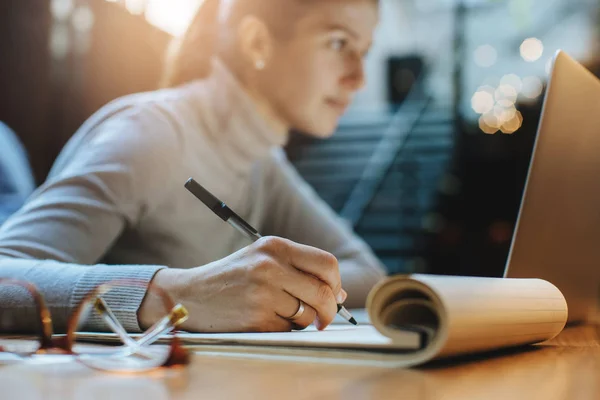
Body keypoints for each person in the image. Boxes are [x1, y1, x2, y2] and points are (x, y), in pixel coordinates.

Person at [0, 0, 385, 334]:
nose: (359, 78)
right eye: (339, 43)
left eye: (364, 51)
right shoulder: (151, 136)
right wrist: (179, 295)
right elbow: (6, 276)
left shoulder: (263, 163)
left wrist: (282, 288)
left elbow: (369, 273)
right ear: (257, 43)